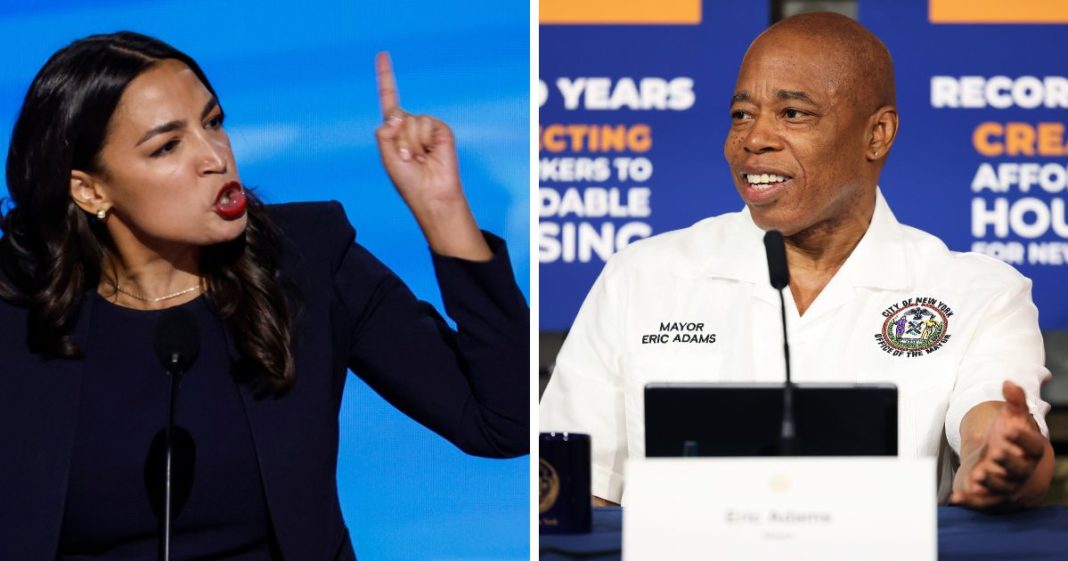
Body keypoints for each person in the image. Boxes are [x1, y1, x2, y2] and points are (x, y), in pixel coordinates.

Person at [0, 32, 528, 560]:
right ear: (90, 190)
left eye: (213, 122)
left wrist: (443, 211)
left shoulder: (307, 263)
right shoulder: (17, 312)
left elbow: (506, 421)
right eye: (167, 146)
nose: (214, 157)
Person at [539, 12, 1053, 511]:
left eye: (793, 113)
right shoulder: (641, 277)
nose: (753, 139)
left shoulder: (979, 291)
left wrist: (1001, 461)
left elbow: (991, 428)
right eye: (741, 114)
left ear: (877, 134)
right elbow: (571, 488)